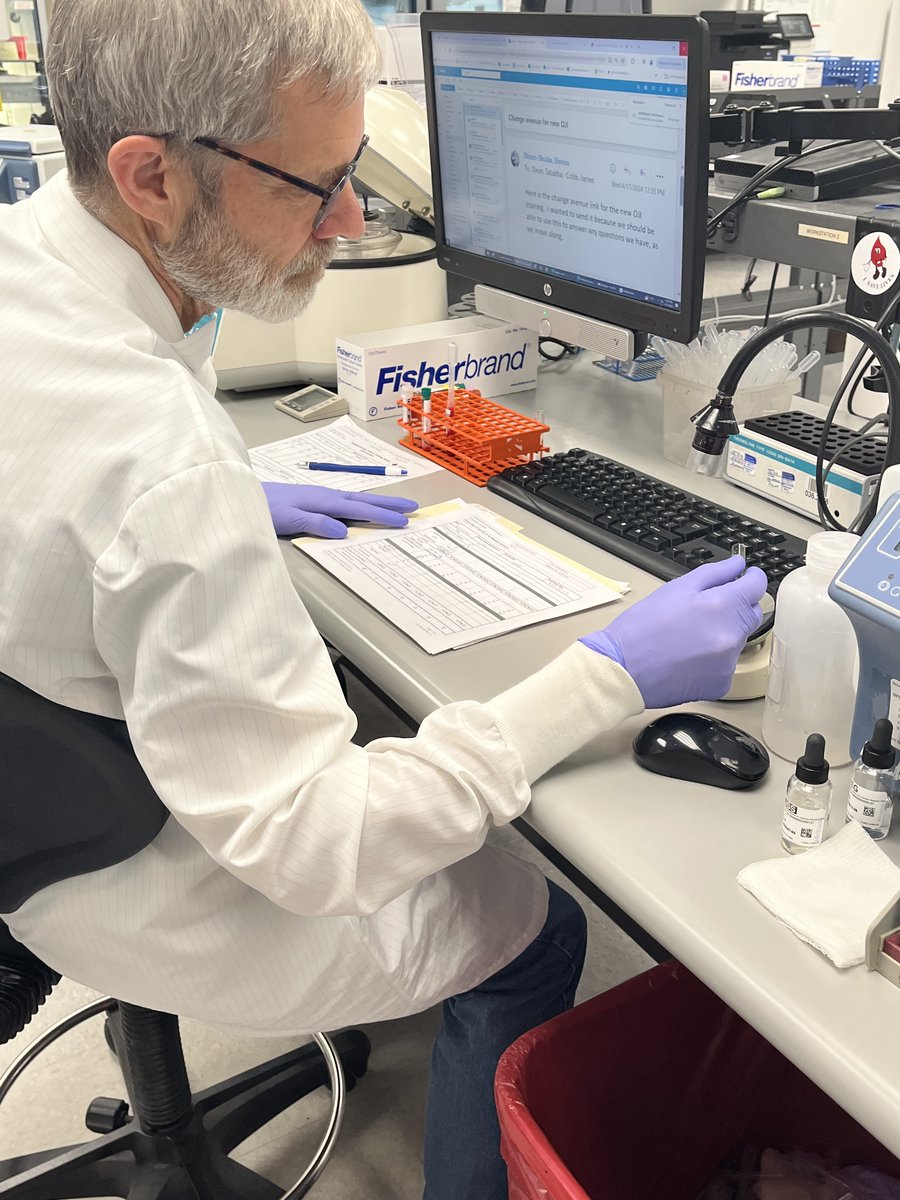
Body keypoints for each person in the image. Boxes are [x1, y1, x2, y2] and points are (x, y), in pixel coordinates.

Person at [0, 1, 766, 1195]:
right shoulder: (158, 462)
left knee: (396, 729)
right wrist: (610, 674)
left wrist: (215, 514)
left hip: (46, 800)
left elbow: (55, 493)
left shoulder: (29, 260)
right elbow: (315, 848)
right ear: (150, 176)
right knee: (542, 922)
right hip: (129, 875)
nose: (353, 221)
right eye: (316, 186)